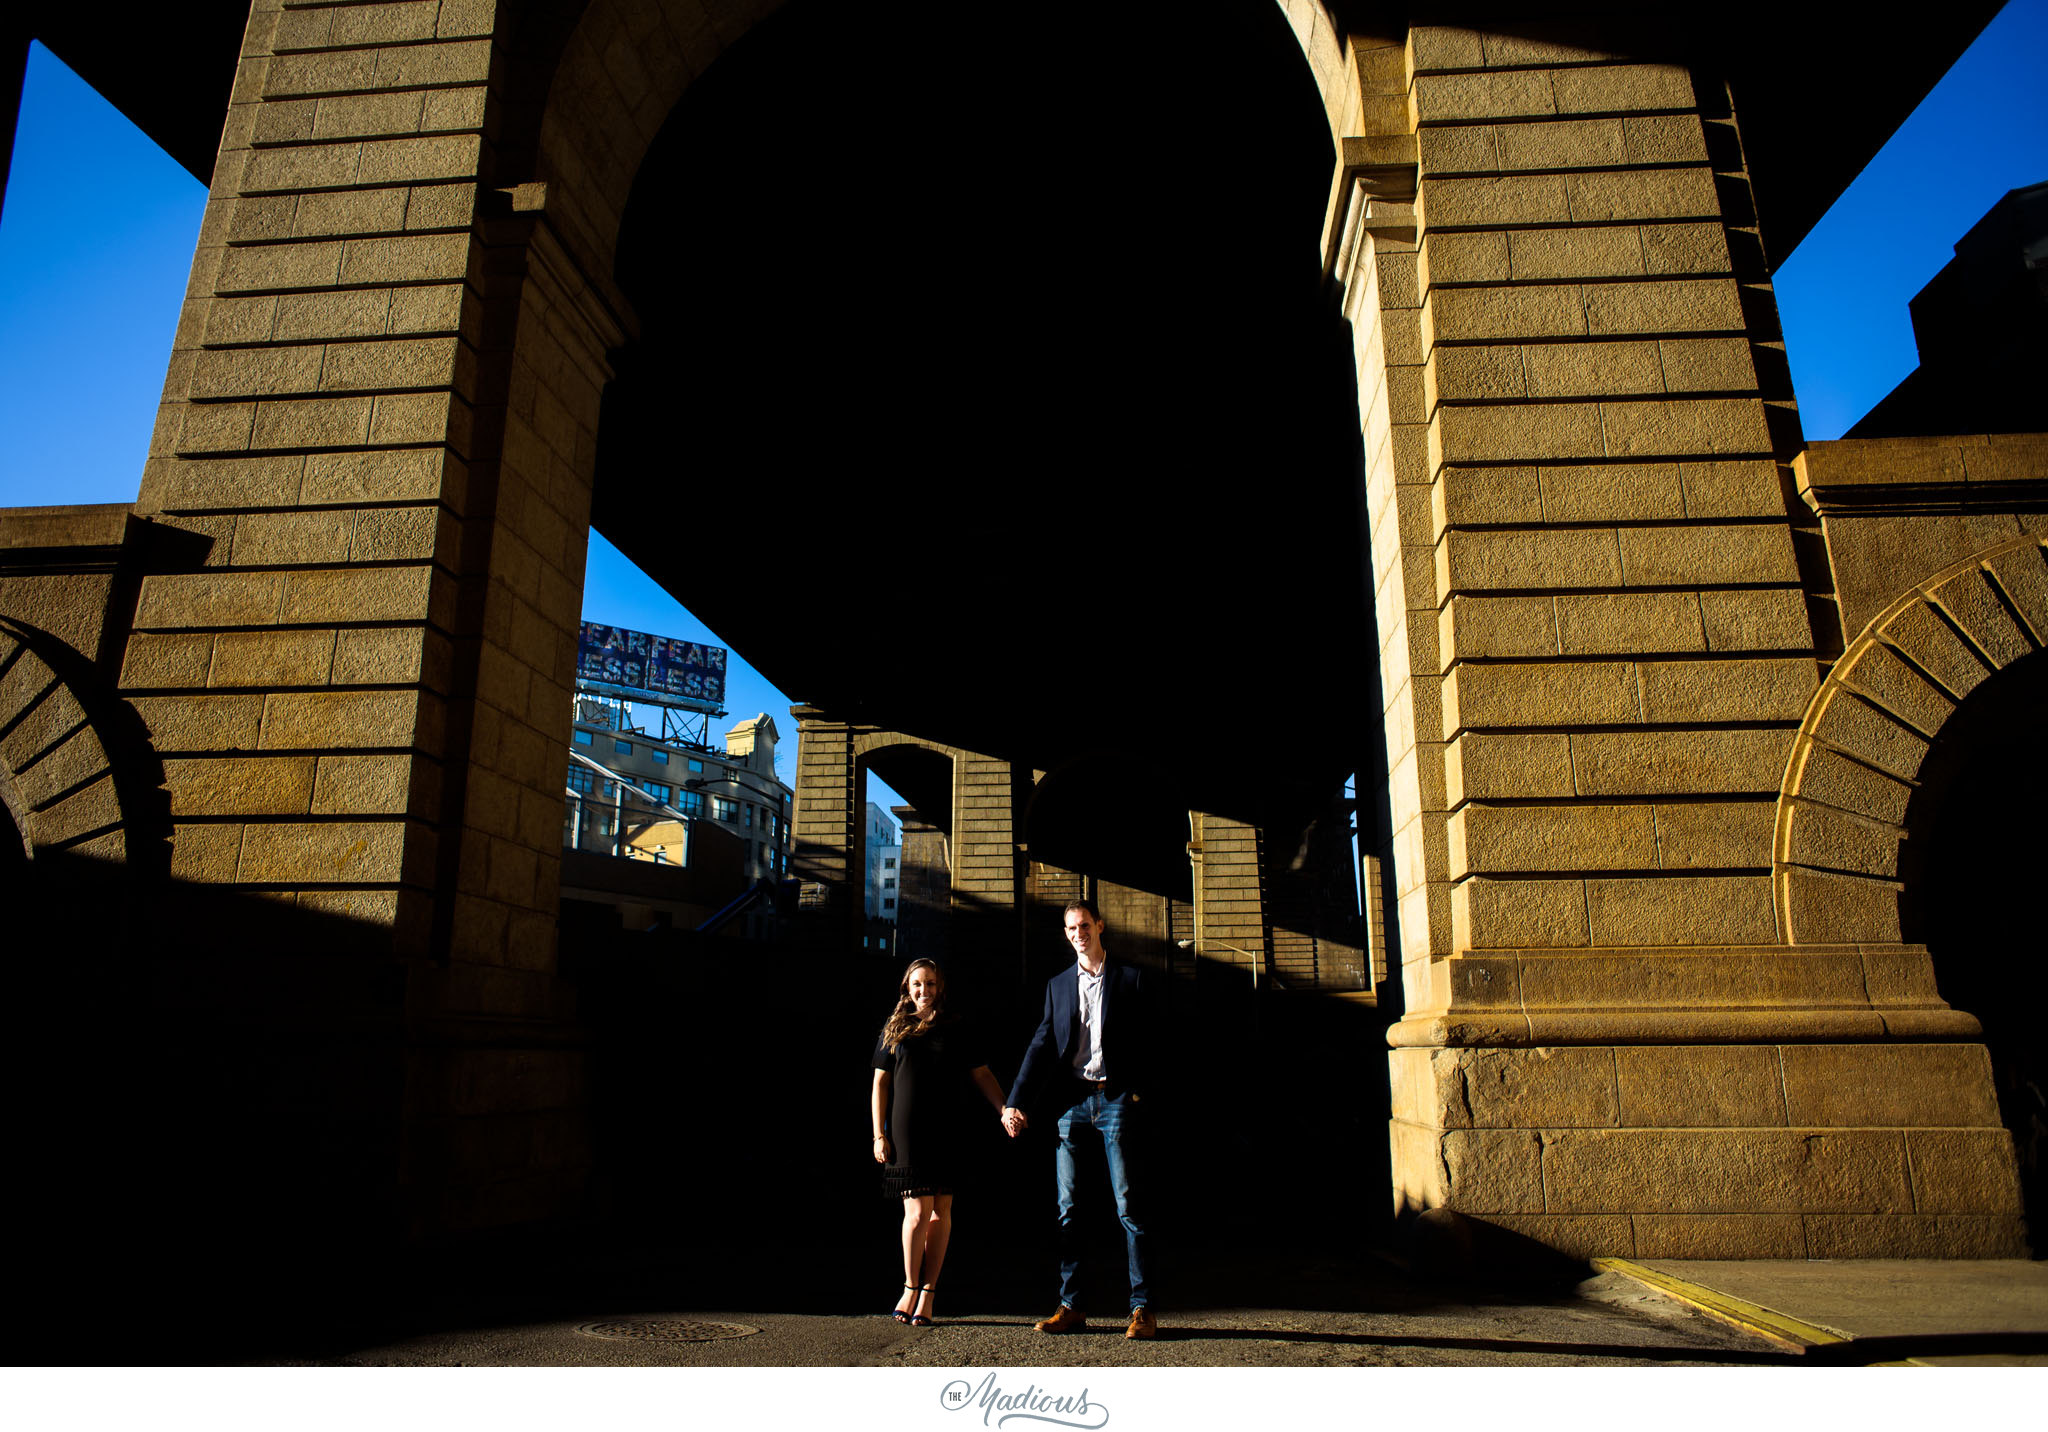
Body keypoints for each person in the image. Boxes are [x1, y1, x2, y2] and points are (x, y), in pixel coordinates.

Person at [1001, 898, 1160, 1339]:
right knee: (1068, 1208)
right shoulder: (1058, 986)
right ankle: (1072, 1307)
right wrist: (1016, 1101)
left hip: (1115, 1101)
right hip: (1071, 1103)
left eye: (1084, 926)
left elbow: (1154, 1042)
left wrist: (1136, 1094)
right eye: (1071, 928)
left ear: (1099, 927)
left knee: (1128, 1206)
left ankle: (1142, 1308)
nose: (1078, 934)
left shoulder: (1130, 979)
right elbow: (1040, 1045)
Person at [871, 958, 1007, 1326]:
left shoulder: (956, 1026)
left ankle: (928, 1295)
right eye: (917, 984)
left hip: (948, 1128)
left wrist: (1003, 1109)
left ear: (939, 987)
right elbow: (880, 1083)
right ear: (907, 987)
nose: (924, 991)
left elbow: (981, 1073)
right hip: (906, 1130)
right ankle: (909, 1287)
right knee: (915, 1214)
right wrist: (878, 1134)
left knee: (940, 1212)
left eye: (930, 984)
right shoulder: (896, 1026)